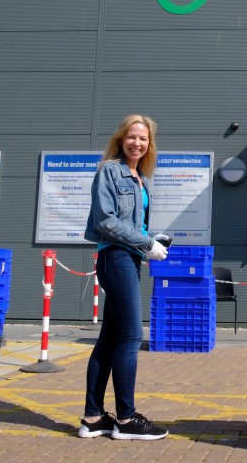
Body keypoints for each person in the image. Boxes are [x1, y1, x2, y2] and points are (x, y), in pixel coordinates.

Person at [79, 114, 171, 440]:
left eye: (143, 139)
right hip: (116, 258)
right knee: (132, 336)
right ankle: (127, 419)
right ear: (121, 139)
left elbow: (133, 224)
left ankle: (93, 418)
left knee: (110, 339)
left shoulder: (140, 177)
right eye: (132, 137)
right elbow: (105, 221)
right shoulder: (109, 171)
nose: (137, 143)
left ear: (149, 144)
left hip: (129, 259)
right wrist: (147, 243)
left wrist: (151, 240)